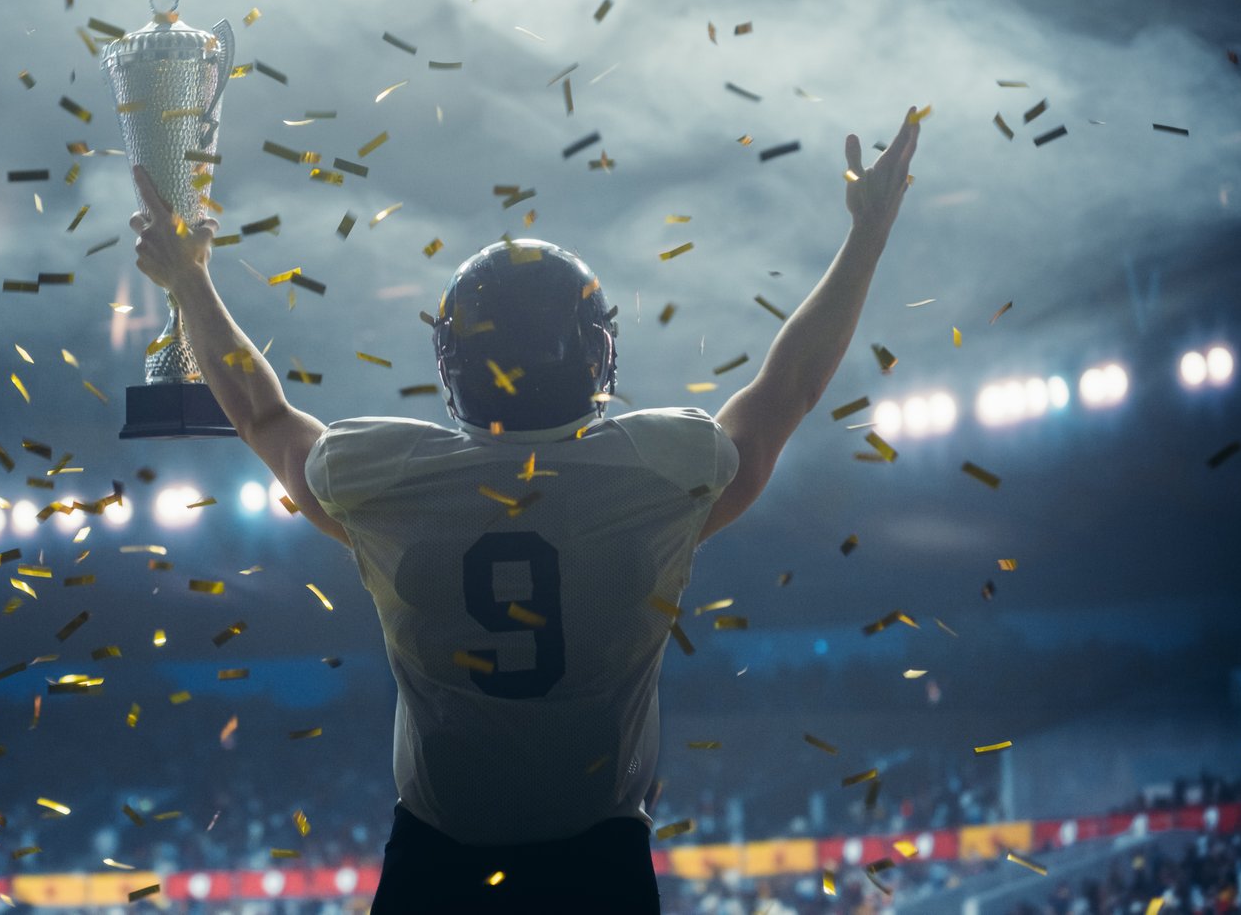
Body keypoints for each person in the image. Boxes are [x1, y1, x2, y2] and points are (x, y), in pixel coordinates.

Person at [128, 105, 922, 912]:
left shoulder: (387, 479)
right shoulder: (656, 472)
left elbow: (262, 415)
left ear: (454, 363)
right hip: (599, 866)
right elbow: (790, 388)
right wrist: (868, 236)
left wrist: (190, 281)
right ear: (596, 354)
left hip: (437, 865)